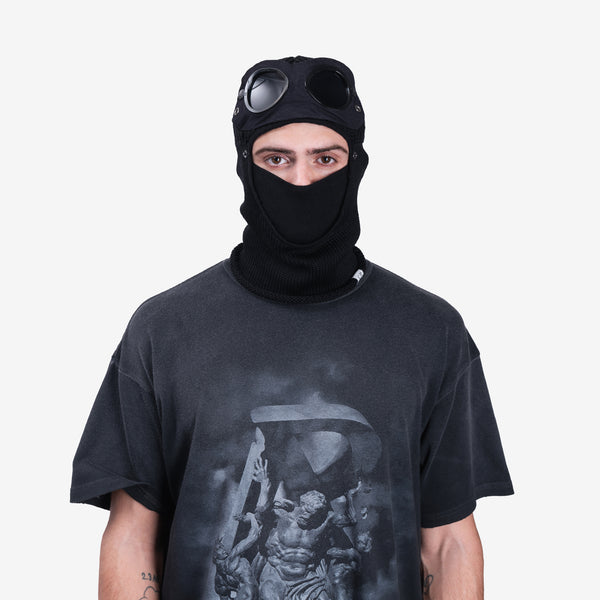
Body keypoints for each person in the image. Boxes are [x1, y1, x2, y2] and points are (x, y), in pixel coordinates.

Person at [71, 56, 513, 600]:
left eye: (325, 159)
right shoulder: (164, 330)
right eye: (276, 159)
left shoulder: (430, 331)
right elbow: (133, 536)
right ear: (244, 165)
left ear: (356, 165)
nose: (301, 180)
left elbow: (447, 542)